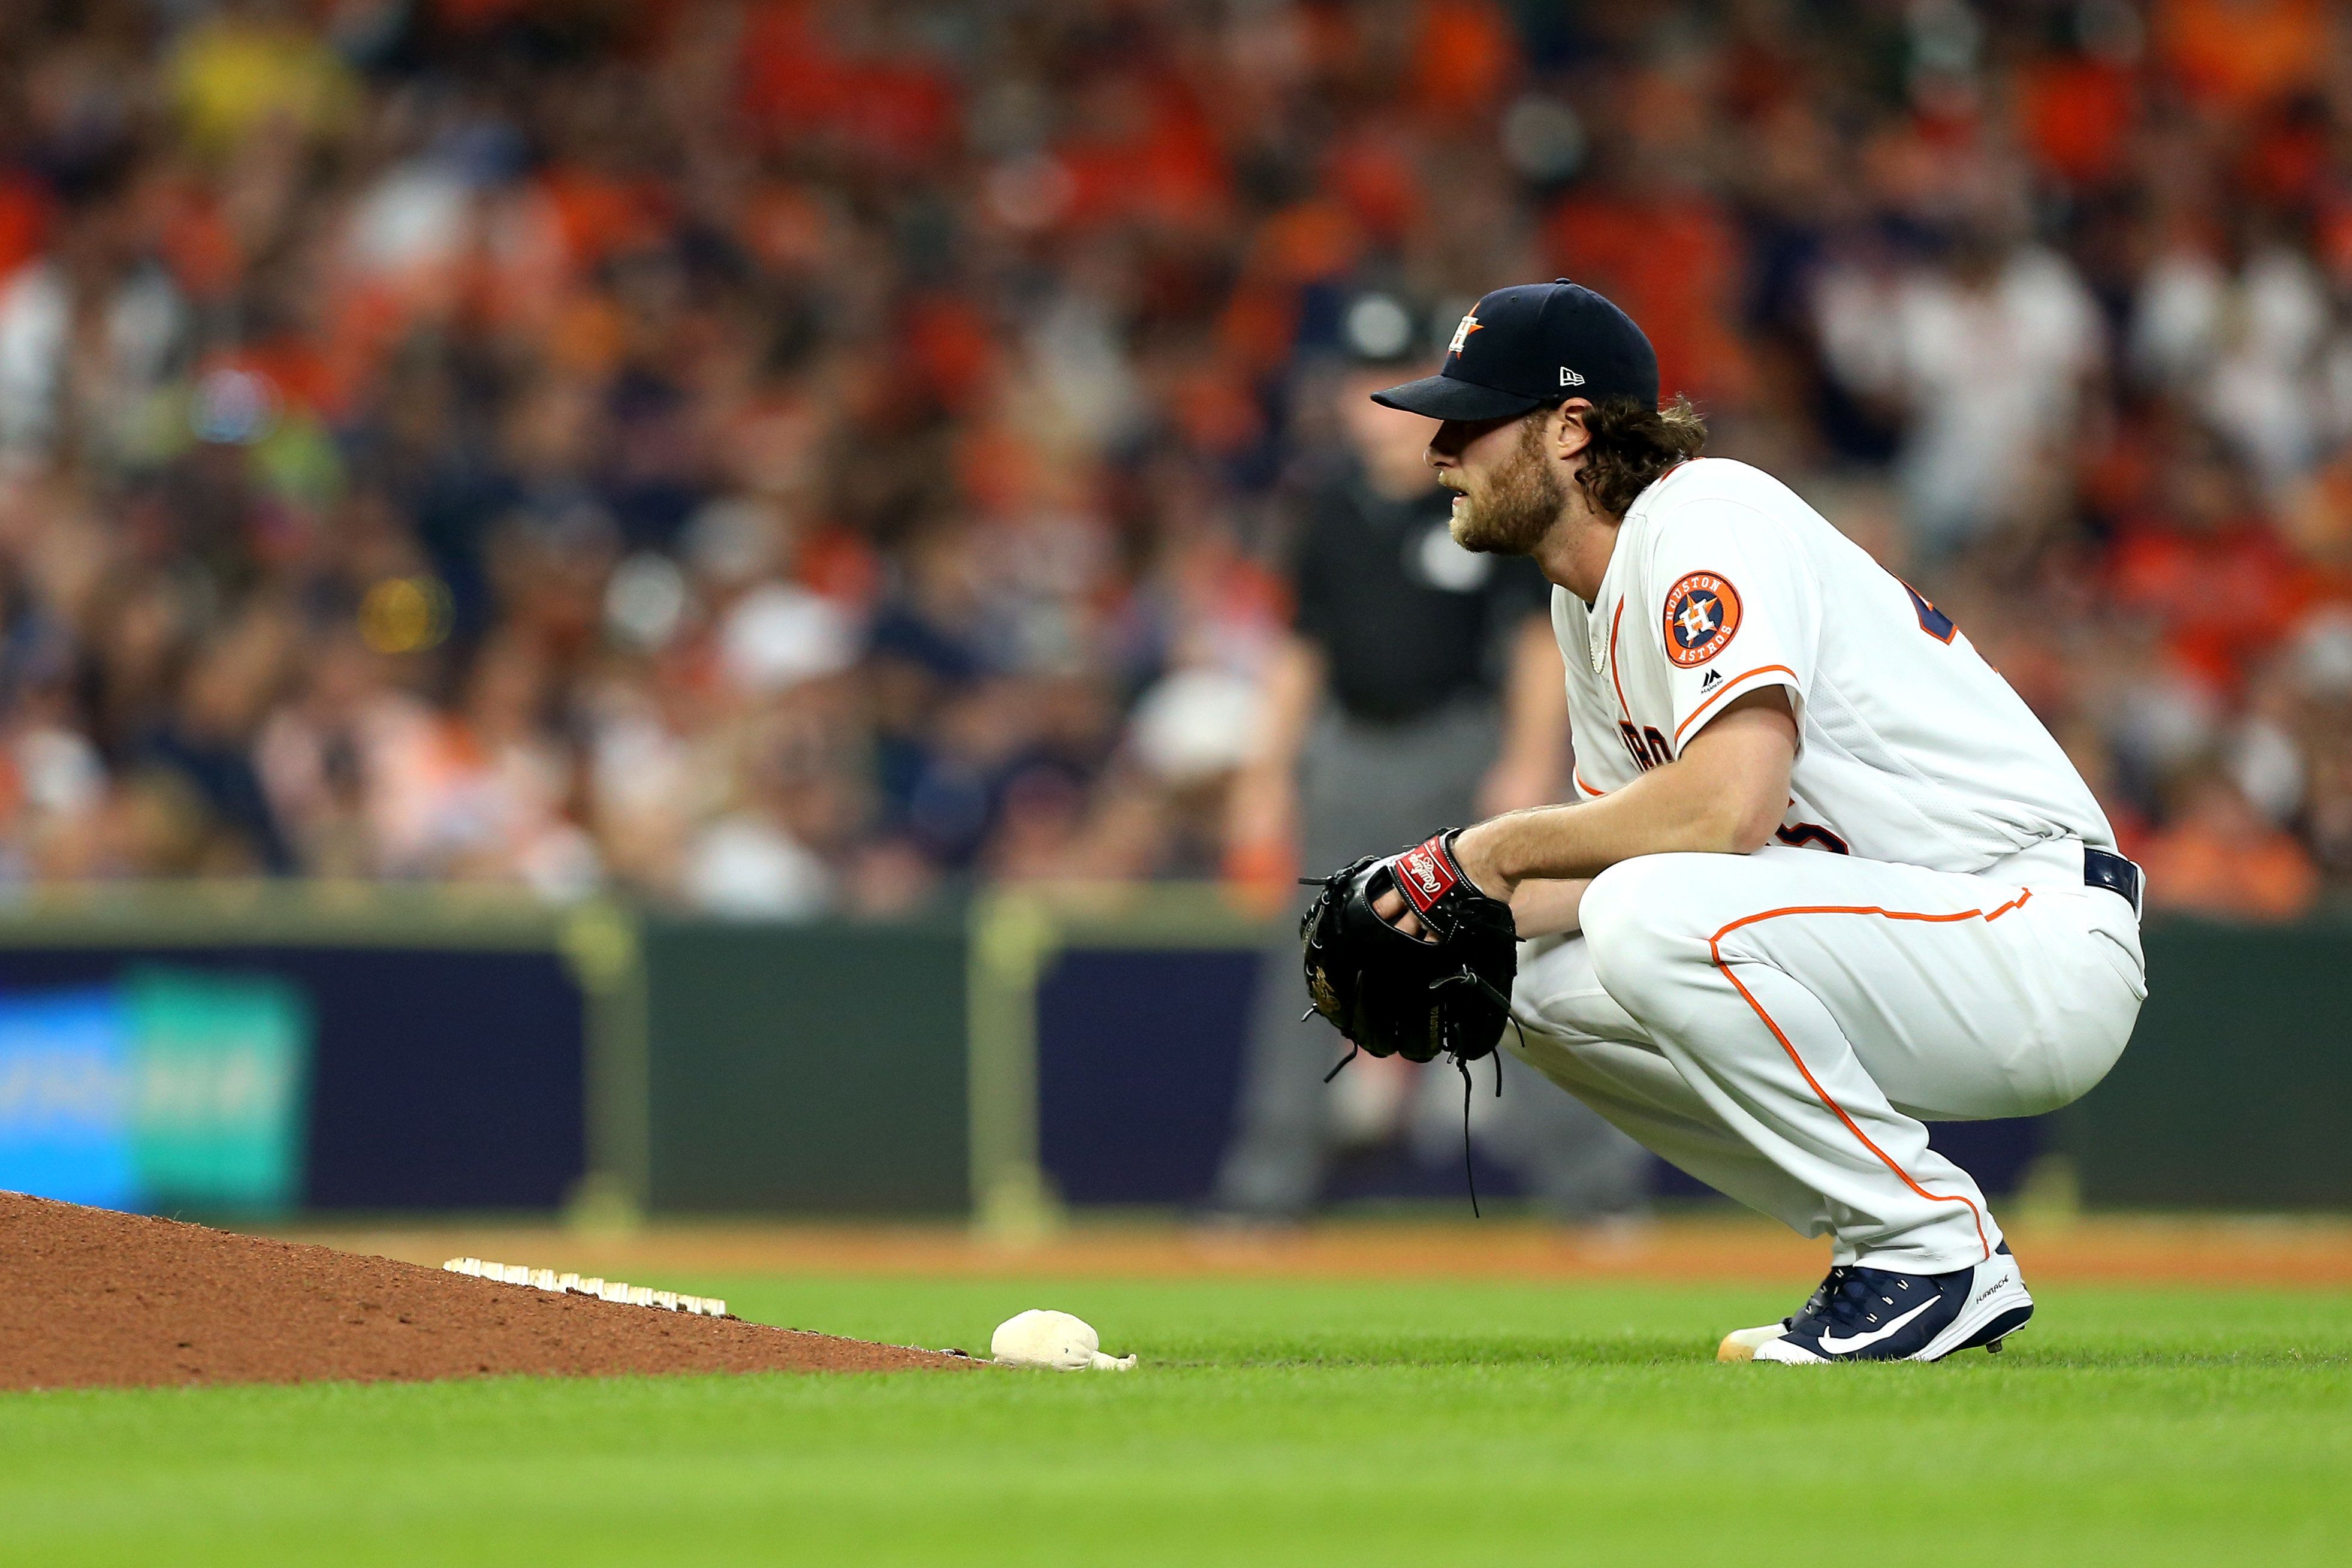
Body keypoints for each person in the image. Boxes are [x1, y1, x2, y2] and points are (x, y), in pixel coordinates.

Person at [1361, 279, 2145, 1362]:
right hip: (1896, 943)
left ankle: (1930, 1251)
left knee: (1643, 912)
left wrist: (1484, 851)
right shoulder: (1581, 603)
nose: (1441, 447)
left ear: (1573, 430)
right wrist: (1439, 910)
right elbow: (1622, 864)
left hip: (2028, 930)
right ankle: (1887, 1241)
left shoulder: (1704, 516)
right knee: (1523, 979)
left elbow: (1730, 808)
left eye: (1472, 418)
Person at [1211, 304, 1650, 1224]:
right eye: (1361, 382)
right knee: (1310, 963)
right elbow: (1301, 651)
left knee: (1507, 963)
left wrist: (1527, 764)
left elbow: (1537, 641)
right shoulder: (1324, 504)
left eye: (1395, 380)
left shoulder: (1475, 491)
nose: (1377, 409)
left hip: (1461, 746)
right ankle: (1264, 1196)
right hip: (1351, 749)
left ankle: (1594, 1195)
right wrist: (1265, 773)